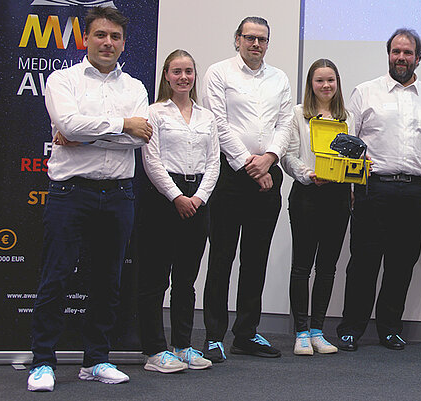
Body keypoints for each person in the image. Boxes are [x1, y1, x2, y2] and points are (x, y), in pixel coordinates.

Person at [28, 6, 151, 391]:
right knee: (56, 277)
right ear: (86, 38)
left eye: (115, 37)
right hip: (71, 193)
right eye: (100, 35)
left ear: (123, 43)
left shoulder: (134, 87)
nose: (107, 43)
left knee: (107, 281)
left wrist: (85, 134)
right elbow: (67, 125)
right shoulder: (62, 81)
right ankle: (42, 363)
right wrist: (119, 125)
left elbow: (140, 136)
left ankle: (95, 360)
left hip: (118, 195)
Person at [335, 28, 421, 352]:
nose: (401, 57)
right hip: (374, 188)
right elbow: (346, 143)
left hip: (417, 192)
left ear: (418, 58)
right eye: (396, 52)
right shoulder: (366, 92)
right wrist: (351, 190)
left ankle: (390, 328)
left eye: (407, 52)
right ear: (389, 55)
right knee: (363, 263)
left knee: (401, 264)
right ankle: (351, 328)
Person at [201, 16, 293, 362]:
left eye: (262, 39)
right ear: (237, 39)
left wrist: (269, 158)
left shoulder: (279, 78)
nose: (256, 44)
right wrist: (250, 165)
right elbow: (217, 123)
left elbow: (284, 124)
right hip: (229, 176)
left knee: (256, 259)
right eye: (250, 38)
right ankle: (212, 336)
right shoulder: (219, 73)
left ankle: (247, 334)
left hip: (268, 174)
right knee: (222, 257)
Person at [137, 49, 218, 373]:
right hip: (162, 200)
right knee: (155, 279)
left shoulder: (207, 117)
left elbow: (214, 162)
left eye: (188, 71)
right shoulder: (154, 113)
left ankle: (183, 345)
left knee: (186, 280)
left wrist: (197, 198)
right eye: (176, 71)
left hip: (198, 200)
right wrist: (176, 197)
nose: (183, 77)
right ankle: (155, 351)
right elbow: (151, 160)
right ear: (167, 77)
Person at [280, 58, 352, 356]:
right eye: (320, 80)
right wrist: (309, 175)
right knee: (302, 266)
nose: (326, 86)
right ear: (311, 84)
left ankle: (318, 331)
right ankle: (300, 332)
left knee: (327, 268)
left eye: (331, 81)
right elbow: (288, 155)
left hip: (338, 197)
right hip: (307, 195)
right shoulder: (298, 115)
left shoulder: (346, 116)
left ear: (337, 84)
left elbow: (355, 153)